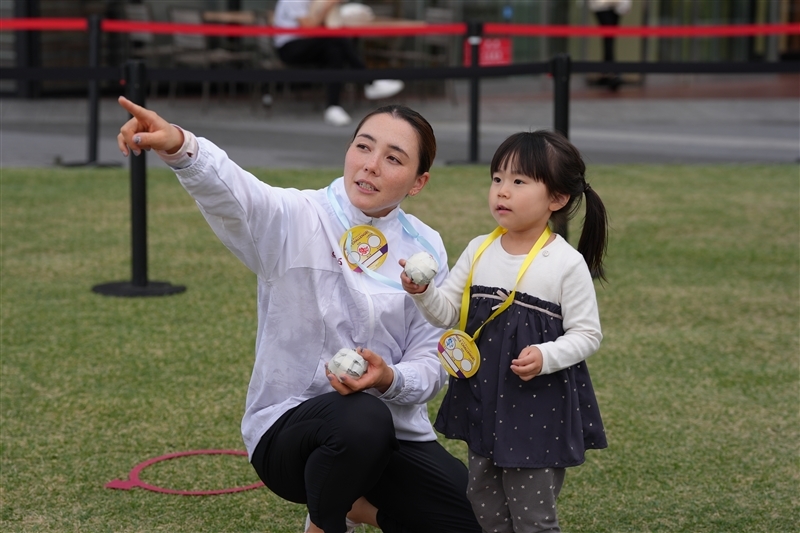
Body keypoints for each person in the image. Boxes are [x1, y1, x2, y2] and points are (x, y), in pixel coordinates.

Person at [116, 97, 481, 533]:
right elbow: (236, 195)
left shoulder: (425, 245)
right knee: (361, 419)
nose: (370, 165)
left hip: (392, 435)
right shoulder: (297, 215)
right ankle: (325, 523)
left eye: (393, 158)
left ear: (418, 182)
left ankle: (358, 504)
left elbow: (432, 358)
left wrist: (390, 379)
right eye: (363, 147)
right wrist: (179, 145)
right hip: (289, 432)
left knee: (472, 517)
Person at [400, 131, 609, 533]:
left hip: (537, 407)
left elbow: (587, 334)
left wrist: (546, 356)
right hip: (485, 399)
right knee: (485, 504)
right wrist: (423, 292)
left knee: (532, 515)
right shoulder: (480, 248)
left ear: (557, 199)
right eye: (497, 179)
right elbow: (447, 315)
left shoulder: (565, 263)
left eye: (519, 181)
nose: (502, 192)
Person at [273, 0, 405, 126]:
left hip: (307, 45)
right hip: (289, 48)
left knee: (335, 51)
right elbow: (308, 27)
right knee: (336, 38)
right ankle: (369, 81)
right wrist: (328, 4)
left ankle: (333, 107)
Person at [587, 0, 631, 90]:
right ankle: (610, 72)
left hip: (616, 6)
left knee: (610, 40)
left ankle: (608, 72)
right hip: (602, 5)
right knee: (608, 39)